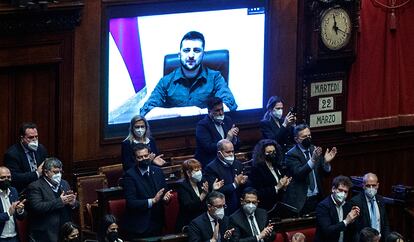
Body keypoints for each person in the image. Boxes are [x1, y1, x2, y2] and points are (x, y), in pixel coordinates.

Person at [139, 31, 237, 118]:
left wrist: (199, 112)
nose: (191, 55)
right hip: (177, 133)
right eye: (186, 50)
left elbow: (229, 105)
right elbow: (147, 112)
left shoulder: (215, 77)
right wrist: (183, 112)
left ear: (203, 54)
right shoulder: (165, 81)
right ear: (179, 54)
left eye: (196, 50)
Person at [283, 124, 337, 215]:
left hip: (317, 198)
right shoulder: (291, 155)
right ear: (296, 139)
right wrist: (312, 160)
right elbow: (299, 173)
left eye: (309, 135)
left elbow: (325, 174)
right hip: (302, 201)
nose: (308, 138)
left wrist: (326, 162)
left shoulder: (314, 149)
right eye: (304, 137)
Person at [122, 143, 173, 239]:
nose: (144, 159)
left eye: (146, 156)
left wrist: (166, 199)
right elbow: (131, 202)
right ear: (134, 158)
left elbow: (164, 194)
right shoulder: (130, 175)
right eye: (140, 157)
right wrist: (152, 201)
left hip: (158, 223)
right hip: (140, 226)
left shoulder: (157, 171)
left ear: (150, 155)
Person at [27, 157, 79, 242]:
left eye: (60, 172)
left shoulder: (64, 183)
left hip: (66, 231)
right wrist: (60, 201)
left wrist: (73, 203)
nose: (59, 175)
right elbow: (37, 207)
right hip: (47, 233)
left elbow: (75, 205)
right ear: (46, 173)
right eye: (55, 172)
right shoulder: (35, 186)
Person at [176, 159, 224, 232]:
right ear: (188, 173)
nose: (199, 172)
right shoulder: (182, 186)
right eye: (196, 170)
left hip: (204, 218)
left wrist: (213, 189)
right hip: (189, 221)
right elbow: (189, 207)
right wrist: (203, 195)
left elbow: (209, 203)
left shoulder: (202, 181)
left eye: (200, 169)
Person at [204, 139, 248, 216]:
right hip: (225, 209)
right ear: (219, 153)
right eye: (228, 152)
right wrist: (234, 185)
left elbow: (243, 185)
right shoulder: (211, 168)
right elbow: (215, 192)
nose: (231, 154)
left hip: (240, 207)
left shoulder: (238, 164)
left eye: (232, 151)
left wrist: (244, 182)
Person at [4, 122, 48, 193]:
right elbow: (14, 177)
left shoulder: (41, 149)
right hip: (24, 190)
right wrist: (37, 173)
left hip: (42, 189)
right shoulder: (12, 154)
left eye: (36, 137)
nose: (34, 140)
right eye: (30, 137)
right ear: (22, 138)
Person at [195, 97, 240, 166]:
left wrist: (234, 138)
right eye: (217, 110)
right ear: (209, 111)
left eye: (222, 109)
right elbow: (208, 148)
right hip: (210, 164)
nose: (221, 113)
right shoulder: (202, 126)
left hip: (228, 161)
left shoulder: (227, 120)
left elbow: (238, 145)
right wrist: (227, 140)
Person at [315, 175, 360, 242]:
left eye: (345, 192)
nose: (343, 194)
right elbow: (327, 231)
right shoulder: (323, 206)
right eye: (340, 190)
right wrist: (346, 221)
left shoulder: (348, 206)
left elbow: (352, 232)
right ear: (333, 189)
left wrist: (353, 220)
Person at [249, 139, 291, 211]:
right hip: (267, 207)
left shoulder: (277, 166)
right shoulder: (257, 170)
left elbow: (280, 186)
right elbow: (258, 192)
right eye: (269, 152)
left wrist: (284, 186)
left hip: (280, 204)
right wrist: (277, 187)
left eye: (274, 152)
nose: (272, 154)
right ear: (262, 154)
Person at [350, 173, 390, 241]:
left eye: (373, 185)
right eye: (368, 186)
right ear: (363, 186)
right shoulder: (356, 201)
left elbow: (385, 224)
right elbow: (355, 230)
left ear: (377, 185)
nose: (371, 188)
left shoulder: (381, 200)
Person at [0, 166, 26, 242]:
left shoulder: (13, 191)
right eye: (2, 177)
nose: (6, 180)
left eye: (8, 177)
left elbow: (20, 217)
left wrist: (20, 211)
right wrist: (8, 213)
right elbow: (10, 213)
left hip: (14, 236)